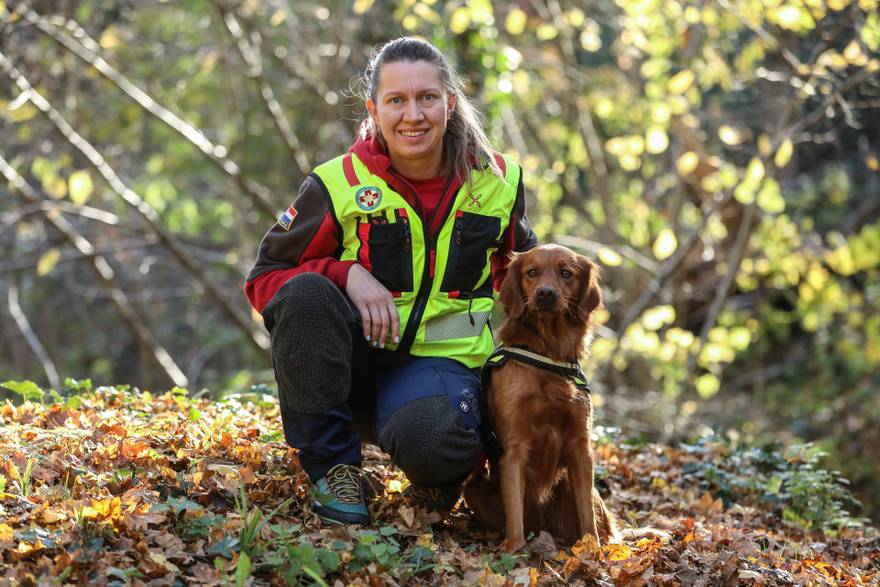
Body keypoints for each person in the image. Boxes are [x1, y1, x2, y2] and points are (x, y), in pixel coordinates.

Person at [245, 37, 537, 526]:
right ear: (374, 109)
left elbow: (529, 282)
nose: (413, 115)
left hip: (439, 370)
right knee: (304, 292)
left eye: (426, 98)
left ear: (449, 102)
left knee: (437, 440)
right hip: (349, 365)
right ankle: (334, 470)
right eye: (396, 100)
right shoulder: (337, 182)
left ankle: (439, 473)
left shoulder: (499, 183)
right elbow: (265, 279)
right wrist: (346, 272)